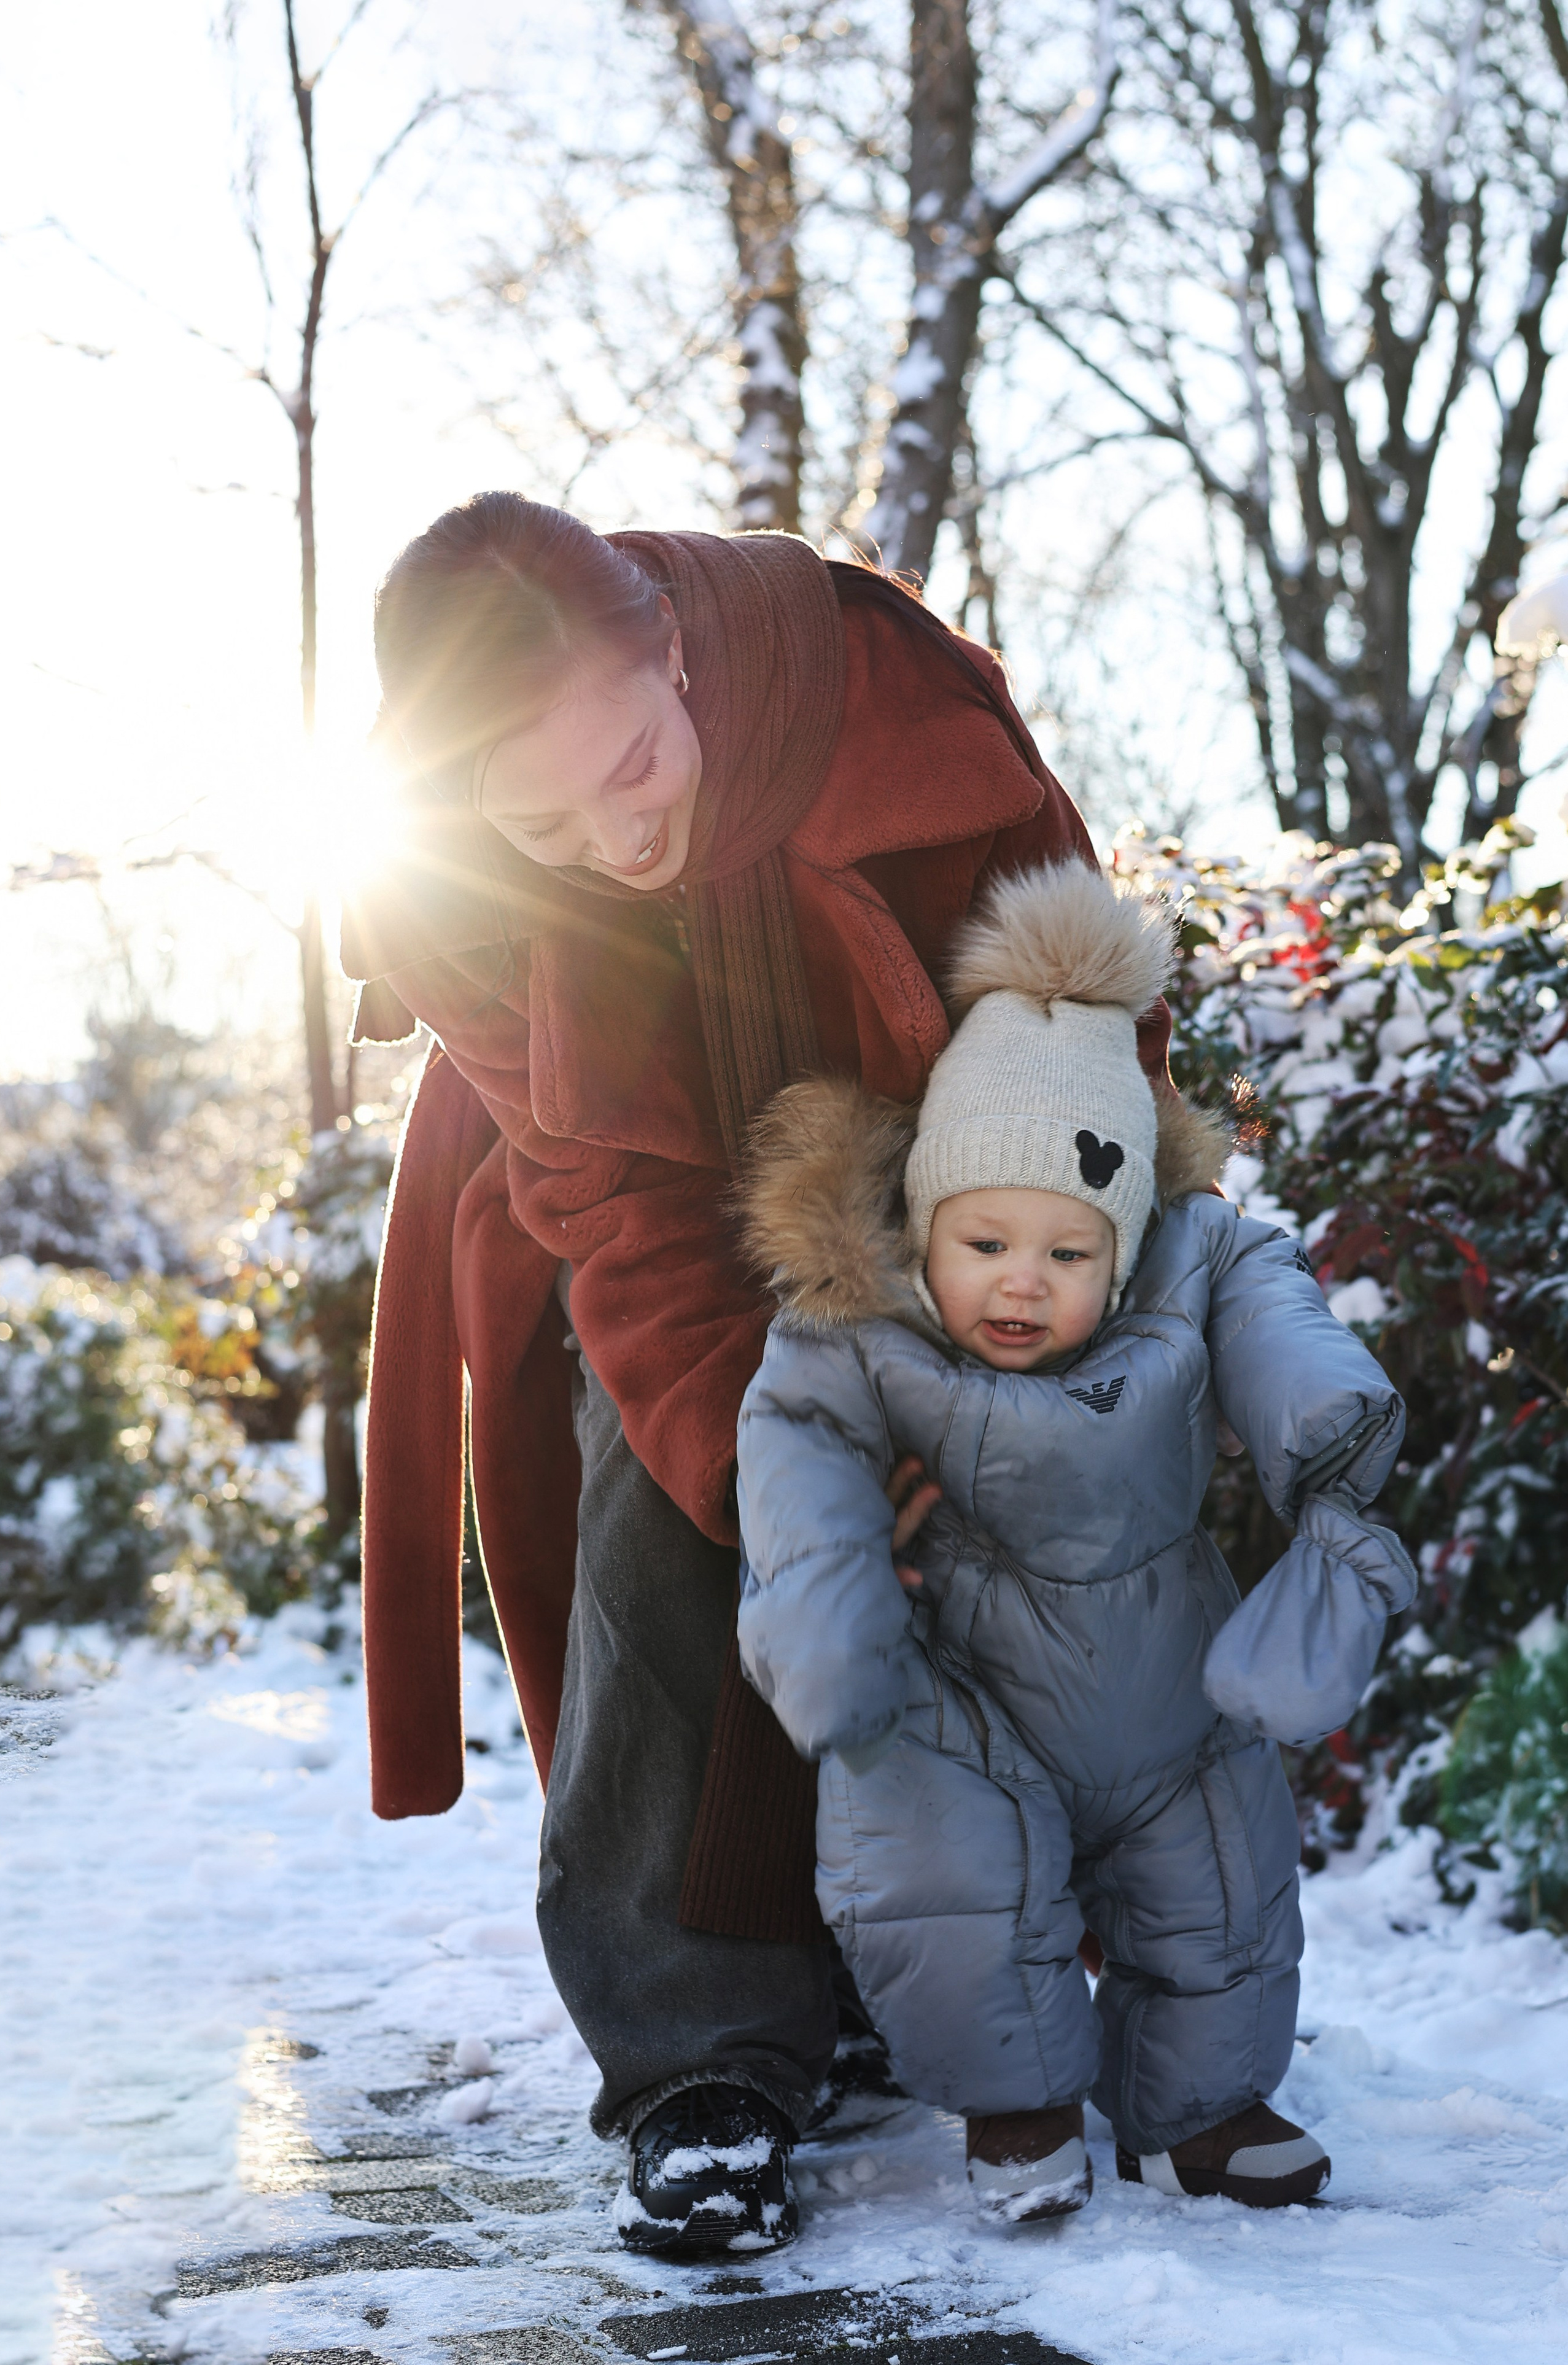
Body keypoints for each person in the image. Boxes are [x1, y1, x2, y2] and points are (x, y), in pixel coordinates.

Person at [343, 497, 1181, 2255]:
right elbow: (618, 1214)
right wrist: (761, 1470)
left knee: (1012, 1516)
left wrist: (1019, 1282)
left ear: (668, 641)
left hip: (958, 1152)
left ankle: (991, 1961)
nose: (614, 836)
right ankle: (696, 2061)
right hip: (628, 1198)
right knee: (669, 1509)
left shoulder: (890, 699)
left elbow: (1074, 999)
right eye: (543, 818)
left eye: (634, 765)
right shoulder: (479, 897)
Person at [734, 858, 1418, 2225]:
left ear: (1126, 1246)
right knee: (945, 1864)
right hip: (969, 1680)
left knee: (1218, 1878)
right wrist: (826, 1613)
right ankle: (1020, 2103)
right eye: (982, 1241)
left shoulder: (1191, 1267)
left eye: (1067, 1253)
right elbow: (794, 1450)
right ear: (925, 1224)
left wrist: (1329, 1453)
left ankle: (1197, 2114)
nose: (1020, 1283)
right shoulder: (858, 1330)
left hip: (1162, 1660)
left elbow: (1269, 1311)